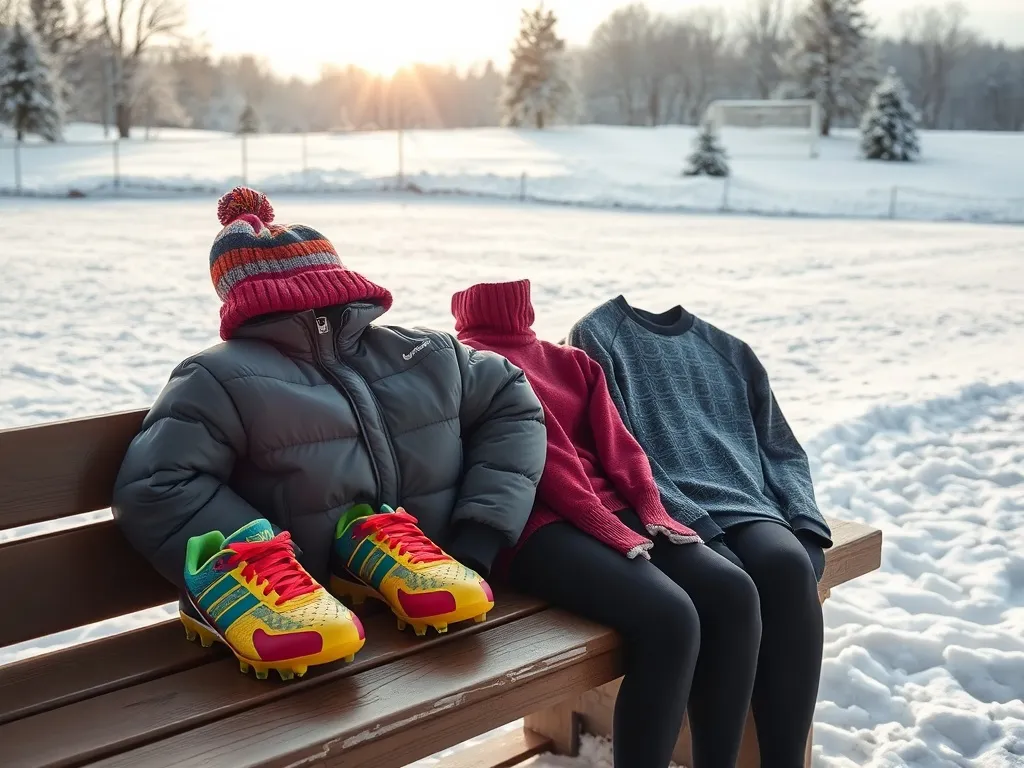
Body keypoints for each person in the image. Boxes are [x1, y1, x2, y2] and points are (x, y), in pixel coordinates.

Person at [112, 188, 547, 677]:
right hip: (293, 609)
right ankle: (278, 581)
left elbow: (513, 403)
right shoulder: (217, 379)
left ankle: (380, 554)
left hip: (442, 584)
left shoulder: (427, 353)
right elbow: (157, 484)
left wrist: (478, 535)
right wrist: (265, 560)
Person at [452, 279, 762, 768]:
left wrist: (648, 507)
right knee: (672, 619)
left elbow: (620, 446)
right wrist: (607, 522)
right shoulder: (464, 361)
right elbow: (543, 459)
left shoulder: (570, 362)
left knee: (734, 592)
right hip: (533, 523)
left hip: (609, 510)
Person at [571, 296, 831, 768]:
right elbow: (625, 451)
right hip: (663, 507)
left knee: (790, 566)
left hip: (747, 503)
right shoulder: (598, 336)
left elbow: (781, 449)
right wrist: (699, 526)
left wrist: (806, 522)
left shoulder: (730, 350)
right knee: (733, 591)